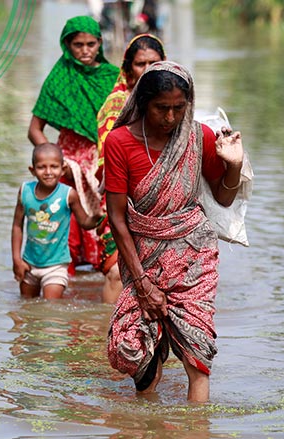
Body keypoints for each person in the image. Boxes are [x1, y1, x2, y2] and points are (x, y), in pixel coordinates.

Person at [103, 61, 244, 402]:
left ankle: (195, 429)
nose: (169, 118)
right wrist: (142, 282)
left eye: (178, 109)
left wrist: (234, 165)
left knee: (198, 355)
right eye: (161, 109)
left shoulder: (199, 138)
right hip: (144, 255)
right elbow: (118, 219)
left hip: (193, 256)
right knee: (140, 358)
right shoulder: (119, 143)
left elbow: (223, 197)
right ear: (143, 104)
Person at [27, 15, 120, 293]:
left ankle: (98, 287)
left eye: (91, 44)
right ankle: (62, 288)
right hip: (67, 167)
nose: (84, 50)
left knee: (102, 227)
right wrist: (56, 161)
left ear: (100, 44)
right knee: (64, 232)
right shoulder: (59, 77)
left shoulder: (113, 77)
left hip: (103, 164)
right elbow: (34, 130)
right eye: (77, 44)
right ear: (67, 45)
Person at [94, 33, 166, 304]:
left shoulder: (172, 103)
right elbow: (108, 161)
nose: (148, 70)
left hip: (161, 200)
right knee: (115, 270)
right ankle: (107, 334)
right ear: (127, 69)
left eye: (154, 63)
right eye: (140, 64)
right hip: (118, 195)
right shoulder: (116, 105)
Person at [11, 143, 102, 300]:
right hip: (29, 264)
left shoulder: (68, 195)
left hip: (56, 265)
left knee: (51, 311)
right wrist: (16, 260)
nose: (48, 172)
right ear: (32, 170)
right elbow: (17, 226)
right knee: (26, 309)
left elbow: (84, 222)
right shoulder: (25, 191)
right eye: (41, 167)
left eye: (54, 167)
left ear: (63, 170)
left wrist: (96, 218)